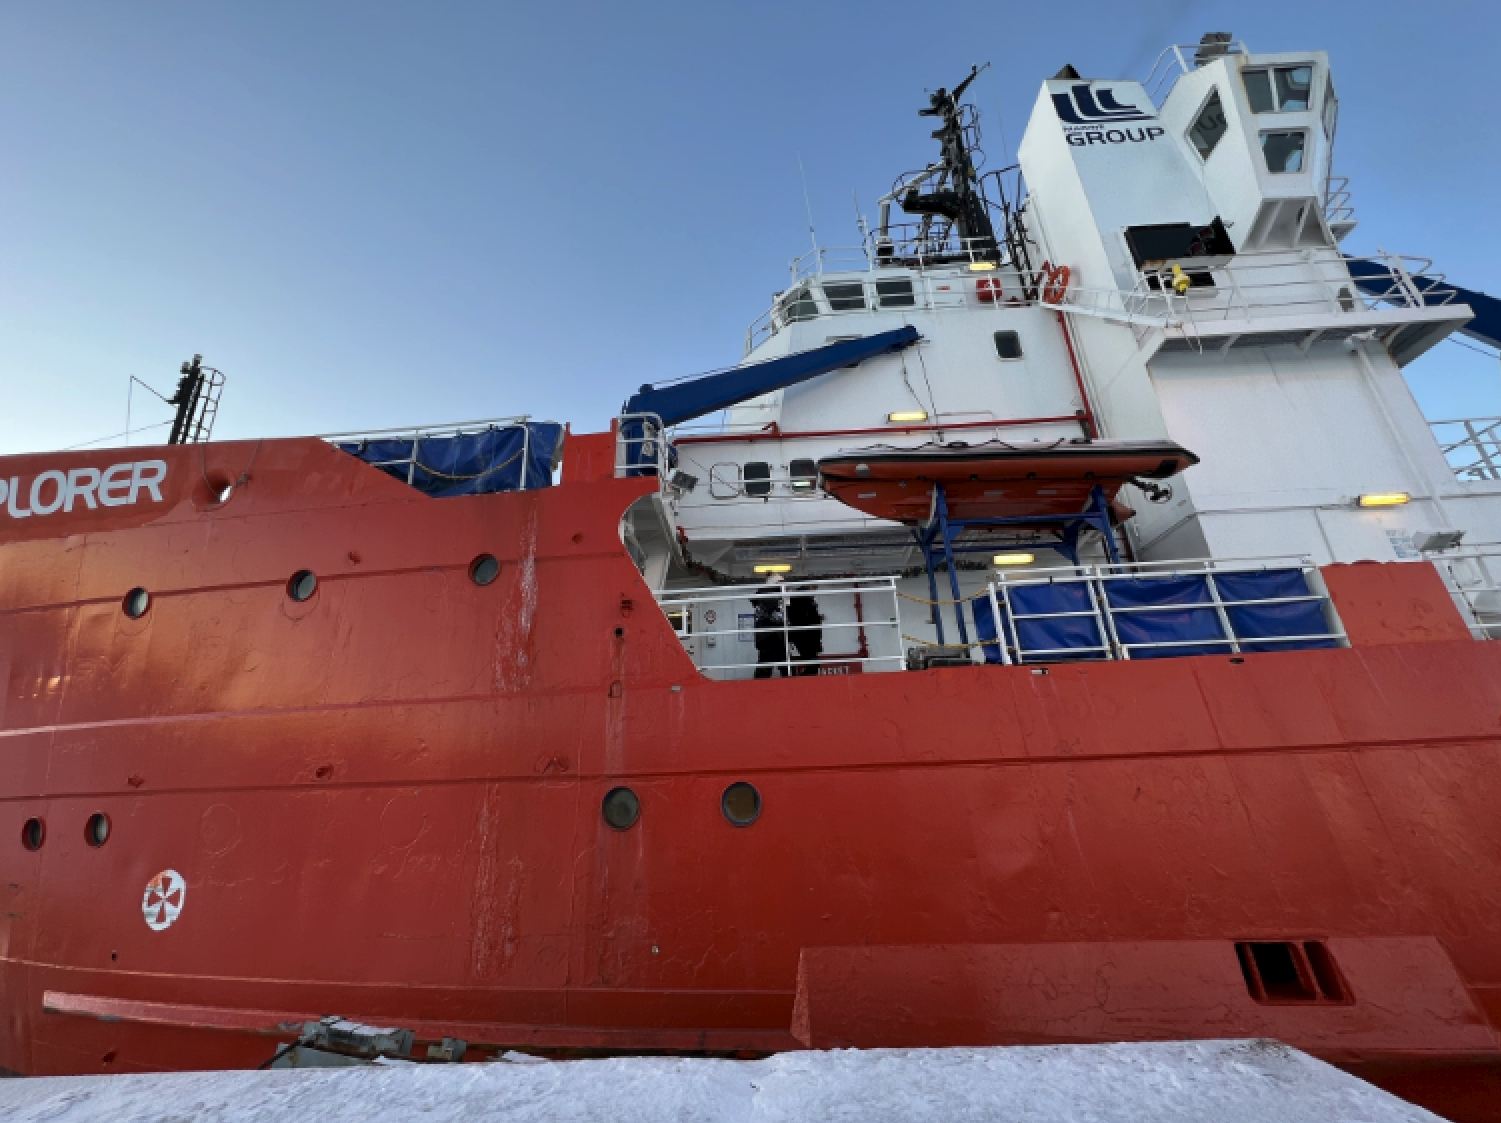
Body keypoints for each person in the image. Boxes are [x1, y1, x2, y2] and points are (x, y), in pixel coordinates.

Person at [752, 575, 789, 678]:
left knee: (765, 664)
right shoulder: (769, 598)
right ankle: (790, 683)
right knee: (782, 664)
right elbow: (776, 617)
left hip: (765, 637)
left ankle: (759, 685)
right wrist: (786, 619)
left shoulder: (762, 598)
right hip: (772, 637)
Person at [787, 586, 824, 675]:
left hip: (804, 636)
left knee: (812, 662)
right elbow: (812, 620)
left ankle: (802, 677)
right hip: (807, 636)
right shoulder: (806, 604)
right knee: (813, 663)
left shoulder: (797, 604)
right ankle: (803, 678)